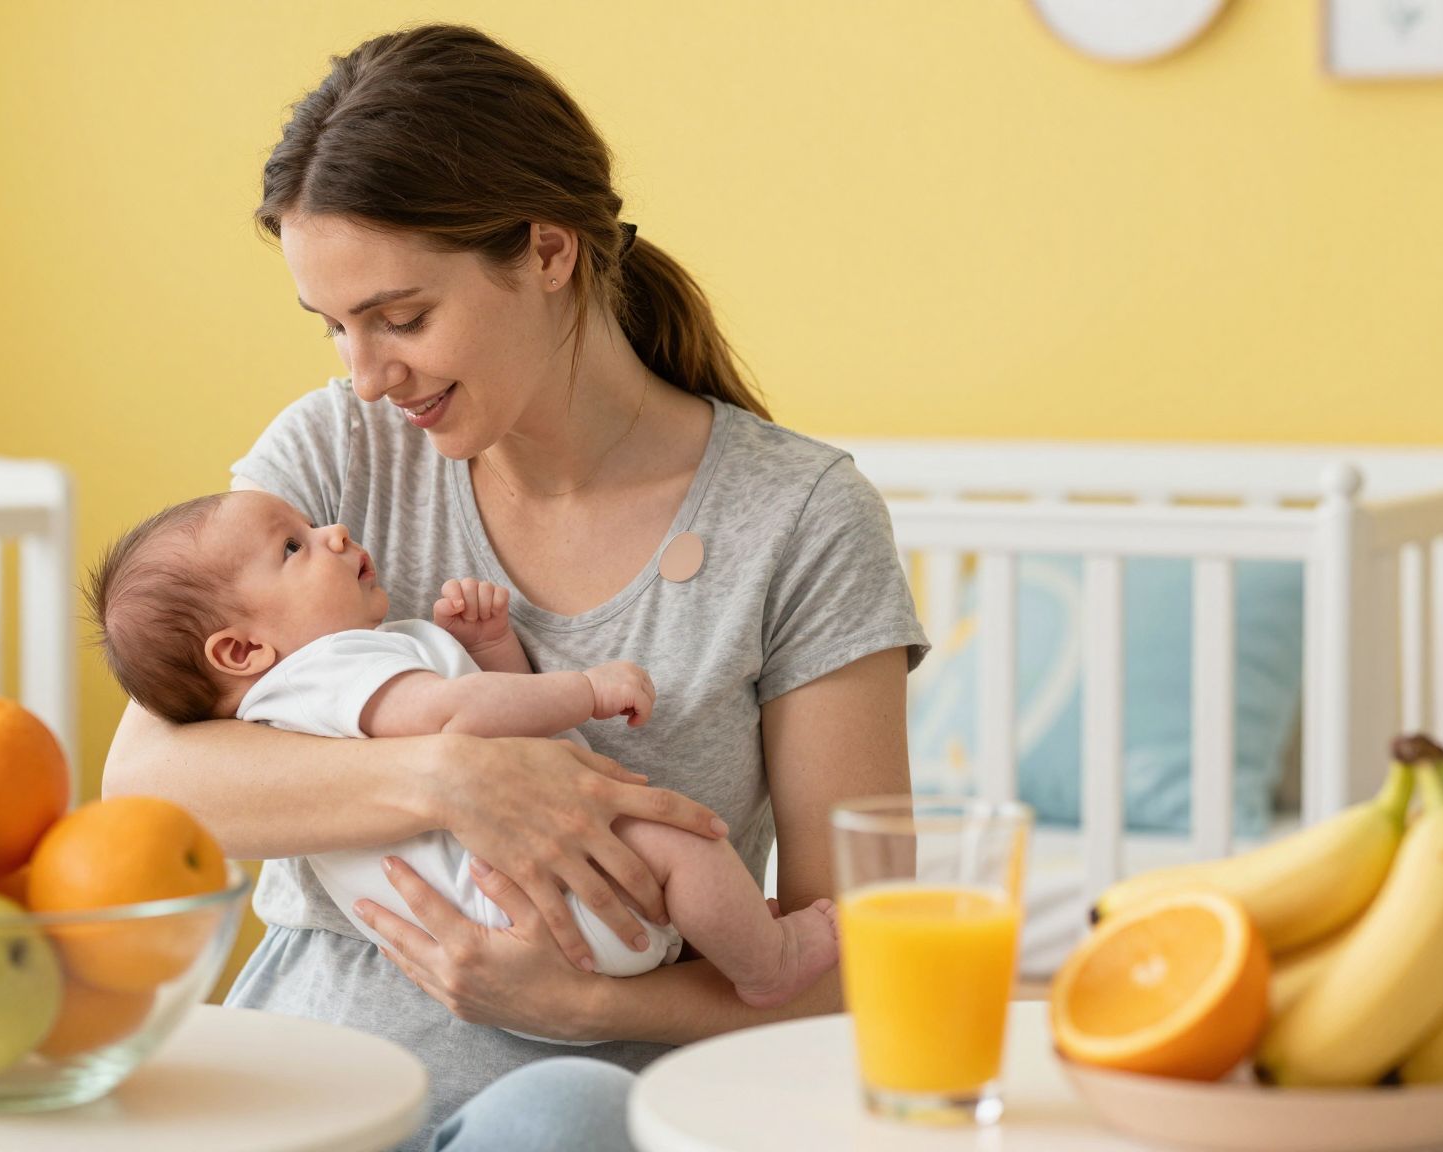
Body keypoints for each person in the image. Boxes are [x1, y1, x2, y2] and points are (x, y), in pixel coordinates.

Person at [101, 22, 926, 1151]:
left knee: (562, 1117)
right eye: (334, 328)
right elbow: (151, 779)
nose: (367, 376)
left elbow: (866, 957)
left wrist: (591, 1006)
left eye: (400, 318)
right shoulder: (334, 457)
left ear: (547, 252)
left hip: (584, 1107)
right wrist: (451, 778)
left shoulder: (796, 518)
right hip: (307, 1079)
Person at [83, 487, 844, 1038]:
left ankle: (738, 934)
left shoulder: (336, 674)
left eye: (310, 526)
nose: (335, 533)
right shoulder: (323, 674)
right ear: (242, 650)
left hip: (522, 933)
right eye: (294, 547)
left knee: (680, 861)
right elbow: (456, 720)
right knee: (685, 846)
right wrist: (584, 689)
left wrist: (487, 651)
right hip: (532, 903)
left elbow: (478, 716)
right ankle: (768, 962)